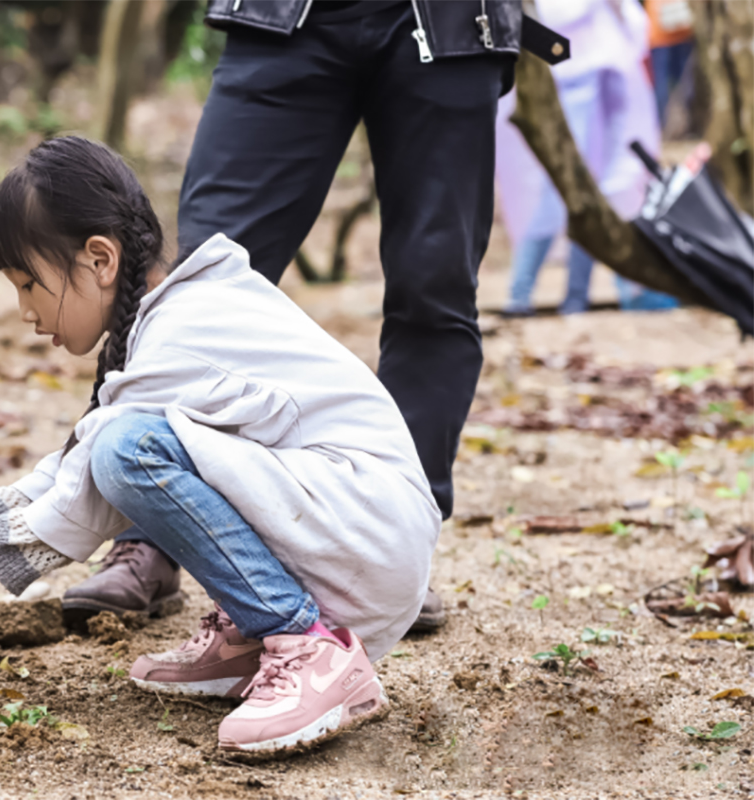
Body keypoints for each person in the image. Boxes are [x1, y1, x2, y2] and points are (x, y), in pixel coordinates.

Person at [0, 136, 441, 754]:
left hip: (368, 533)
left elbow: (81, 502)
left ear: (100, 259)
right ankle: (252, 640)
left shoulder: (181, 335)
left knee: (128, 451)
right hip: (354, 529)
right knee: (119, 445)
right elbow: (65, 474)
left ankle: (304, 646)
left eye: (28, 284)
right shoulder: (171, 318)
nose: (23, 310)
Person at [62, 0, 547, 635]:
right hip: (286, 16)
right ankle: (146, 535)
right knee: (195, 282)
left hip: (451, 22)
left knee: (435, 285)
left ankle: (396, 545)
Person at [498, 0, 676, 315]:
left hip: (605, 74)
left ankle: (582, 296)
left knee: (603, 187)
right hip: (569, 76)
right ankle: (520, 293)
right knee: (561, 189)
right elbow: (554, 15)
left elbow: (635, 25)